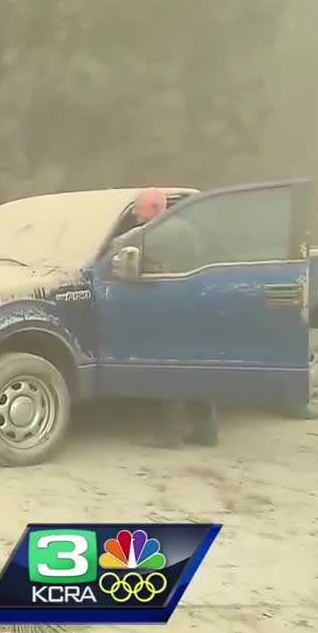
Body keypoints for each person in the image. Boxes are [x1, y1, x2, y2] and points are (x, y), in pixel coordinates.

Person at [115, 187, 219, 449]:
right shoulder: (184, 228)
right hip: (194, 304)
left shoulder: (156, 232)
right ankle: (207, 431)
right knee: (194, 368)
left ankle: (170, 434)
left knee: (168, 367)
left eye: (139, 209)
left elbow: (120, 246)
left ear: (154, 208)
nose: (136, 214)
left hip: (171, 306)